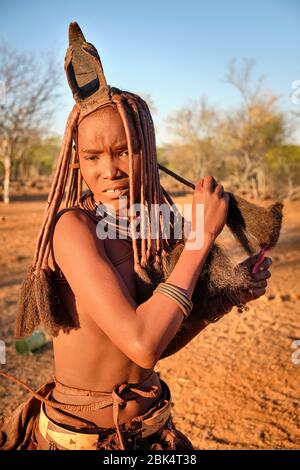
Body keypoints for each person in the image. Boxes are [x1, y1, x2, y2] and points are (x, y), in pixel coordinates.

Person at [0, 22, 272, 451]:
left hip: (151, 432)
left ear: (149, 151)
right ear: (76, 162)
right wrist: (200, 240)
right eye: (93, 156)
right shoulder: (74, 229)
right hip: (79, 441)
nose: (109, 170)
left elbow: (154, 347)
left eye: (125, 151)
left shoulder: (153, 228)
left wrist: (224, 297)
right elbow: (142, 343)